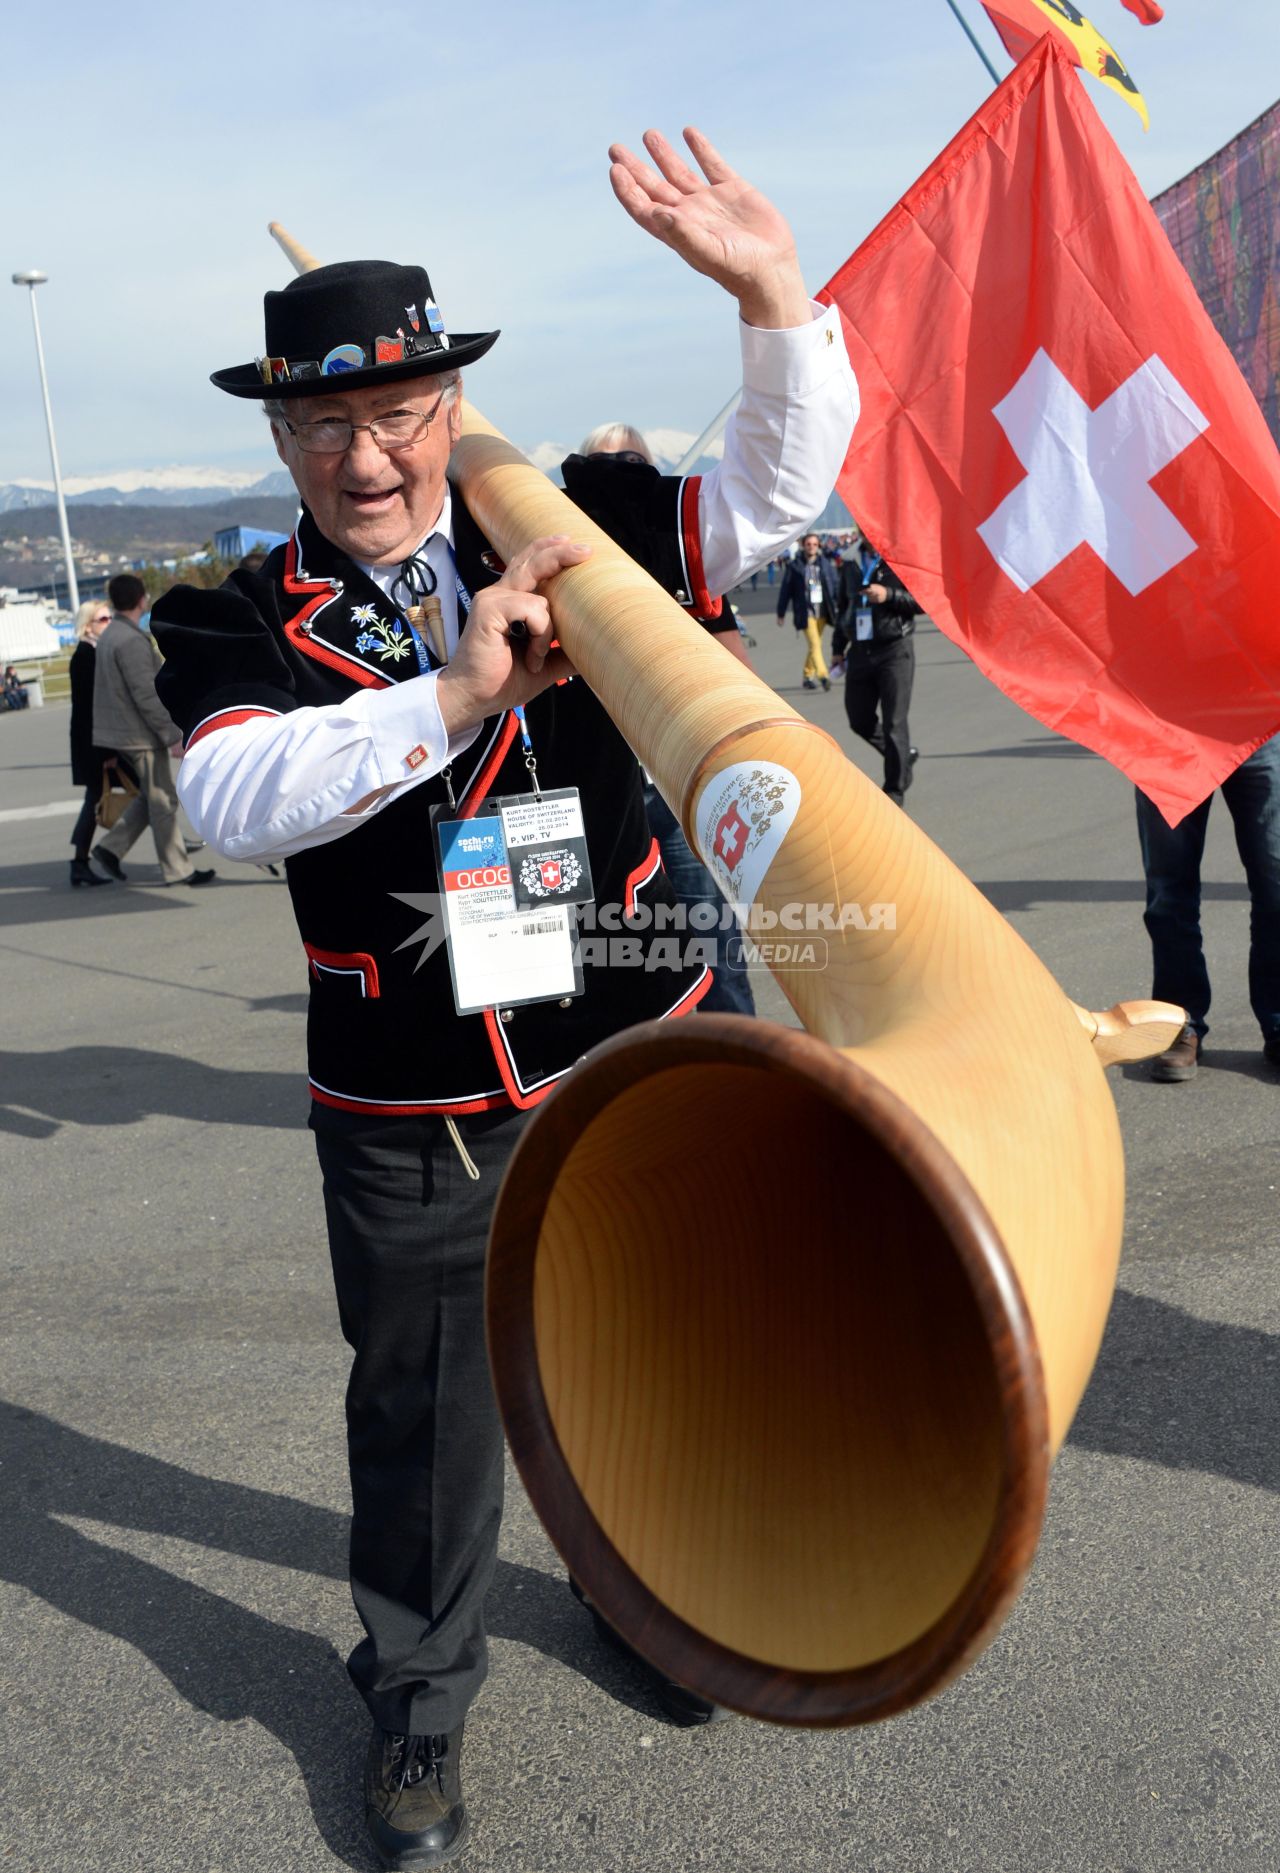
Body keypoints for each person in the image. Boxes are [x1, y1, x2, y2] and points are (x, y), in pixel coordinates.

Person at [151, 126, 856, 1870]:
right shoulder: (231, 617)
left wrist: (775, 302)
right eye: (324, 423)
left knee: (643, 1353)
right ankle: (416, 1691)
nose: (367, 454)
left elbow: (766, 501)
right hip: (412, 1104)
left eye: (398, 411)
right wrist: (453, 696)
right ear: (281, 439)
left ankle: (637, 1594)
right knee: (423, 1416)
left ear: (450, 408)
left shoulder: (567, 525)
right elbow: (233, 797)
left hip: (622, 1049)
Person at [576, 421, 756, 1018]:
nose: (617, 474)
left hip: (671, 788)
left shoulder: (680, 562)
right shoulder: (559, 570)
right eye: (602, 463)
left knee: (712, 942)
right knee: (603, 954)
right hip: (587, 799)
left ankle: (745, 1070)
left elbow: (737, 674)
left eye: (630, 461)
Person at [1136, 734, 1280, 1081]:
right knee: (1169, 890)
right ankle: (1178, 1022)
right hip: (1168, 732)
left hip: (1260, 724)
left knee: (1276, 884)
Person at [91, 573, 216, 887]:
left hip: (125, 732)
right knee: (162, 800)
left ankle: (109, 849)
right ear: (141, 599)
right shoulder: (130, 640)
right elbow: (146, 694)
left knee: (152, 797)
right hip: (140, 734)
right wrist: (172, 735)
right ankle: (177, 869)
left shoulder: (110, 634)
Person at [832, 534, 918, 807]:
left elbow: (921, 603)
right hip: (860, 649)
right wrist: (837, 648)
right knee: (859, 719)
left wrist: (888, 594)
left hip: (894, 649)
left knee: (894, 722)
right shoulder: (850, 562)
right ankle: (902, 757)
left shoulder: (899, 559)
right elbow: (844, 606)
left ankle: (895, 789)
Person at [67, 600, 114, 886]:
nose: (109, 623)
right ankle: (83, 860)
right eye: (103, 619)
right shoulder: (85, 656)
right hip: (94, 744)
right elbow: (90, 708)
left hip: (95, 741)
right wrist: (106, 751)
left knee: (98, 799)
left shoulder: (93, 652)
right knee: (96, 800)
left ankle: (83, 860)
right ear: (88, 626)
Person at [775, 530, 838, 688]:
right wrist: (780, 612)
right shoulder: (794, 566)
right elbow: (785, 590)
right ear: (803, 546)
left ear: (819, 546)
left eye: (815, 544)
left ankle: (807, 676)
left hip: (823, 611)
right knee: (815, 644)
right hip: (805, 611)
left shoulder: (825, 564)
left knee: (814, 645)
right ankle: (823, 676)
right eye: (808, 544)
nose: (811, 547)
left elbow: (835, 585)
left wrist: (840, 604)